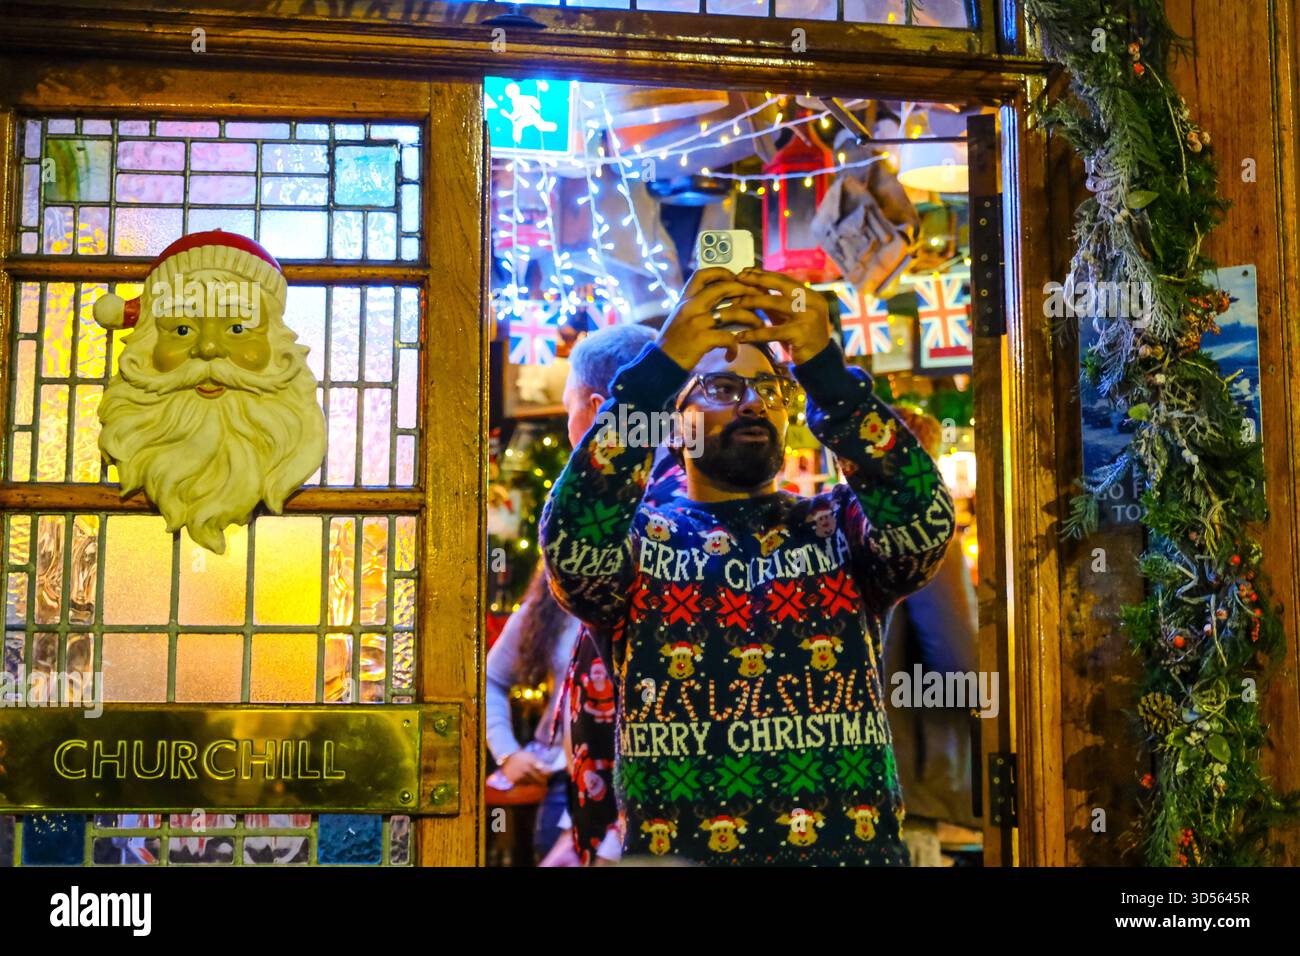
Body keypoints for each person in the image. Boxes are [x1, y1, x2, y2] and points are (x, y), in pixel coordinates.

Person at [540, 267, 956, 865]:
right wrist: (662, 368)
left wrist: (825, 373)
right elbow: (572, 545)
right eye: (723, 390)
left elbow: (924, 522)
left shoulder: (837, 527)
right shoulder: (639, 546)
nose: (755, 403)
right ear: (674, 425)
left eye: (772, 389)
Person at [557, 322, 685, 865]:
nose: (567, 428)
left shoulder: (664, 509)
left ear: (595, 407)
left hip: (645, 839)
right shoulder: (650, 497)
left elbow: (674, 686)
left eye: (568, 412)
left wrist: (615, 843)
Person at [883, 407, 981, 867]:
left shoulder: (834, 525)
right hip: (916, 779)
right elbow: (962, 668)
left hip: (861, 774)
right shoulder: (927, 533)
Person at [485, 565, 581, 863]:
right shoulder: (554, 604)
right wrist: (507, 752)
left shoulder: (649, 600)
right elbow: (490, 678)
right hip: (565, 780)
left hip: (634, 782)